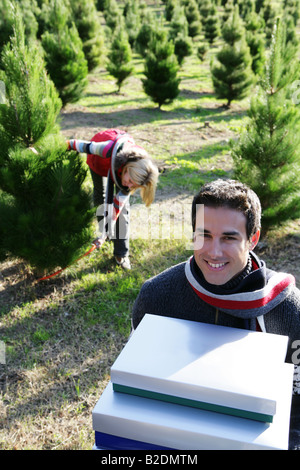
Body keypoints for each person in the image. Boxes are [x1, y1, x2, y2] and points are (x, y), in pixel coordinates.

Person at [132, 178, 300, 450]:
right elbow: (137, 390)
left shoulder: (287, 309)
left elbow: (298, 411)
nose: (214, 251)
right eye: (204, 235)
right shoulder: (156, 298)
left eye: (229, 237)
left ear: (253, 238)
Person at [67, 128, 159, 270]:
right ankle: (107, 232)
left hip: (117, 167)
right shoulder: (106, 148)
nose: (128, 185)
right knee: (100, 195)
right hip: (99, 161)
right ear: (127, 168)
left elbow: (116, 207)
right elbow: (82, 145)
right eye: (129, 181)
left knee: (123, 210)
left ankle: (121, 253)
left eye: (133, 185)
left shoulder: (134, 176)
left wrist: (104, 234)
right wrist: (65, 145)